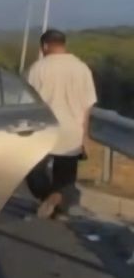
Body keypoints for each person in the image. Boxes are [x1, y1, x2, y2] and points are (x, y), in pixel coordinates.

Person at [27, 29, 97, 219]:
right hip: (72, 131)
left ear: (45, 46)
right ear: (64, 44)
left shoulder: (37, 68)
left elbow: (29, 101)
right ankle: (56, 198)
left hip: (45, 129)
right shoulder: (82, 68)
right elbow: (88, 104)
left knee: (33, 169)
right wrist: (85, 134)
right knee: (64, 177)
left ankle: (46, 197)